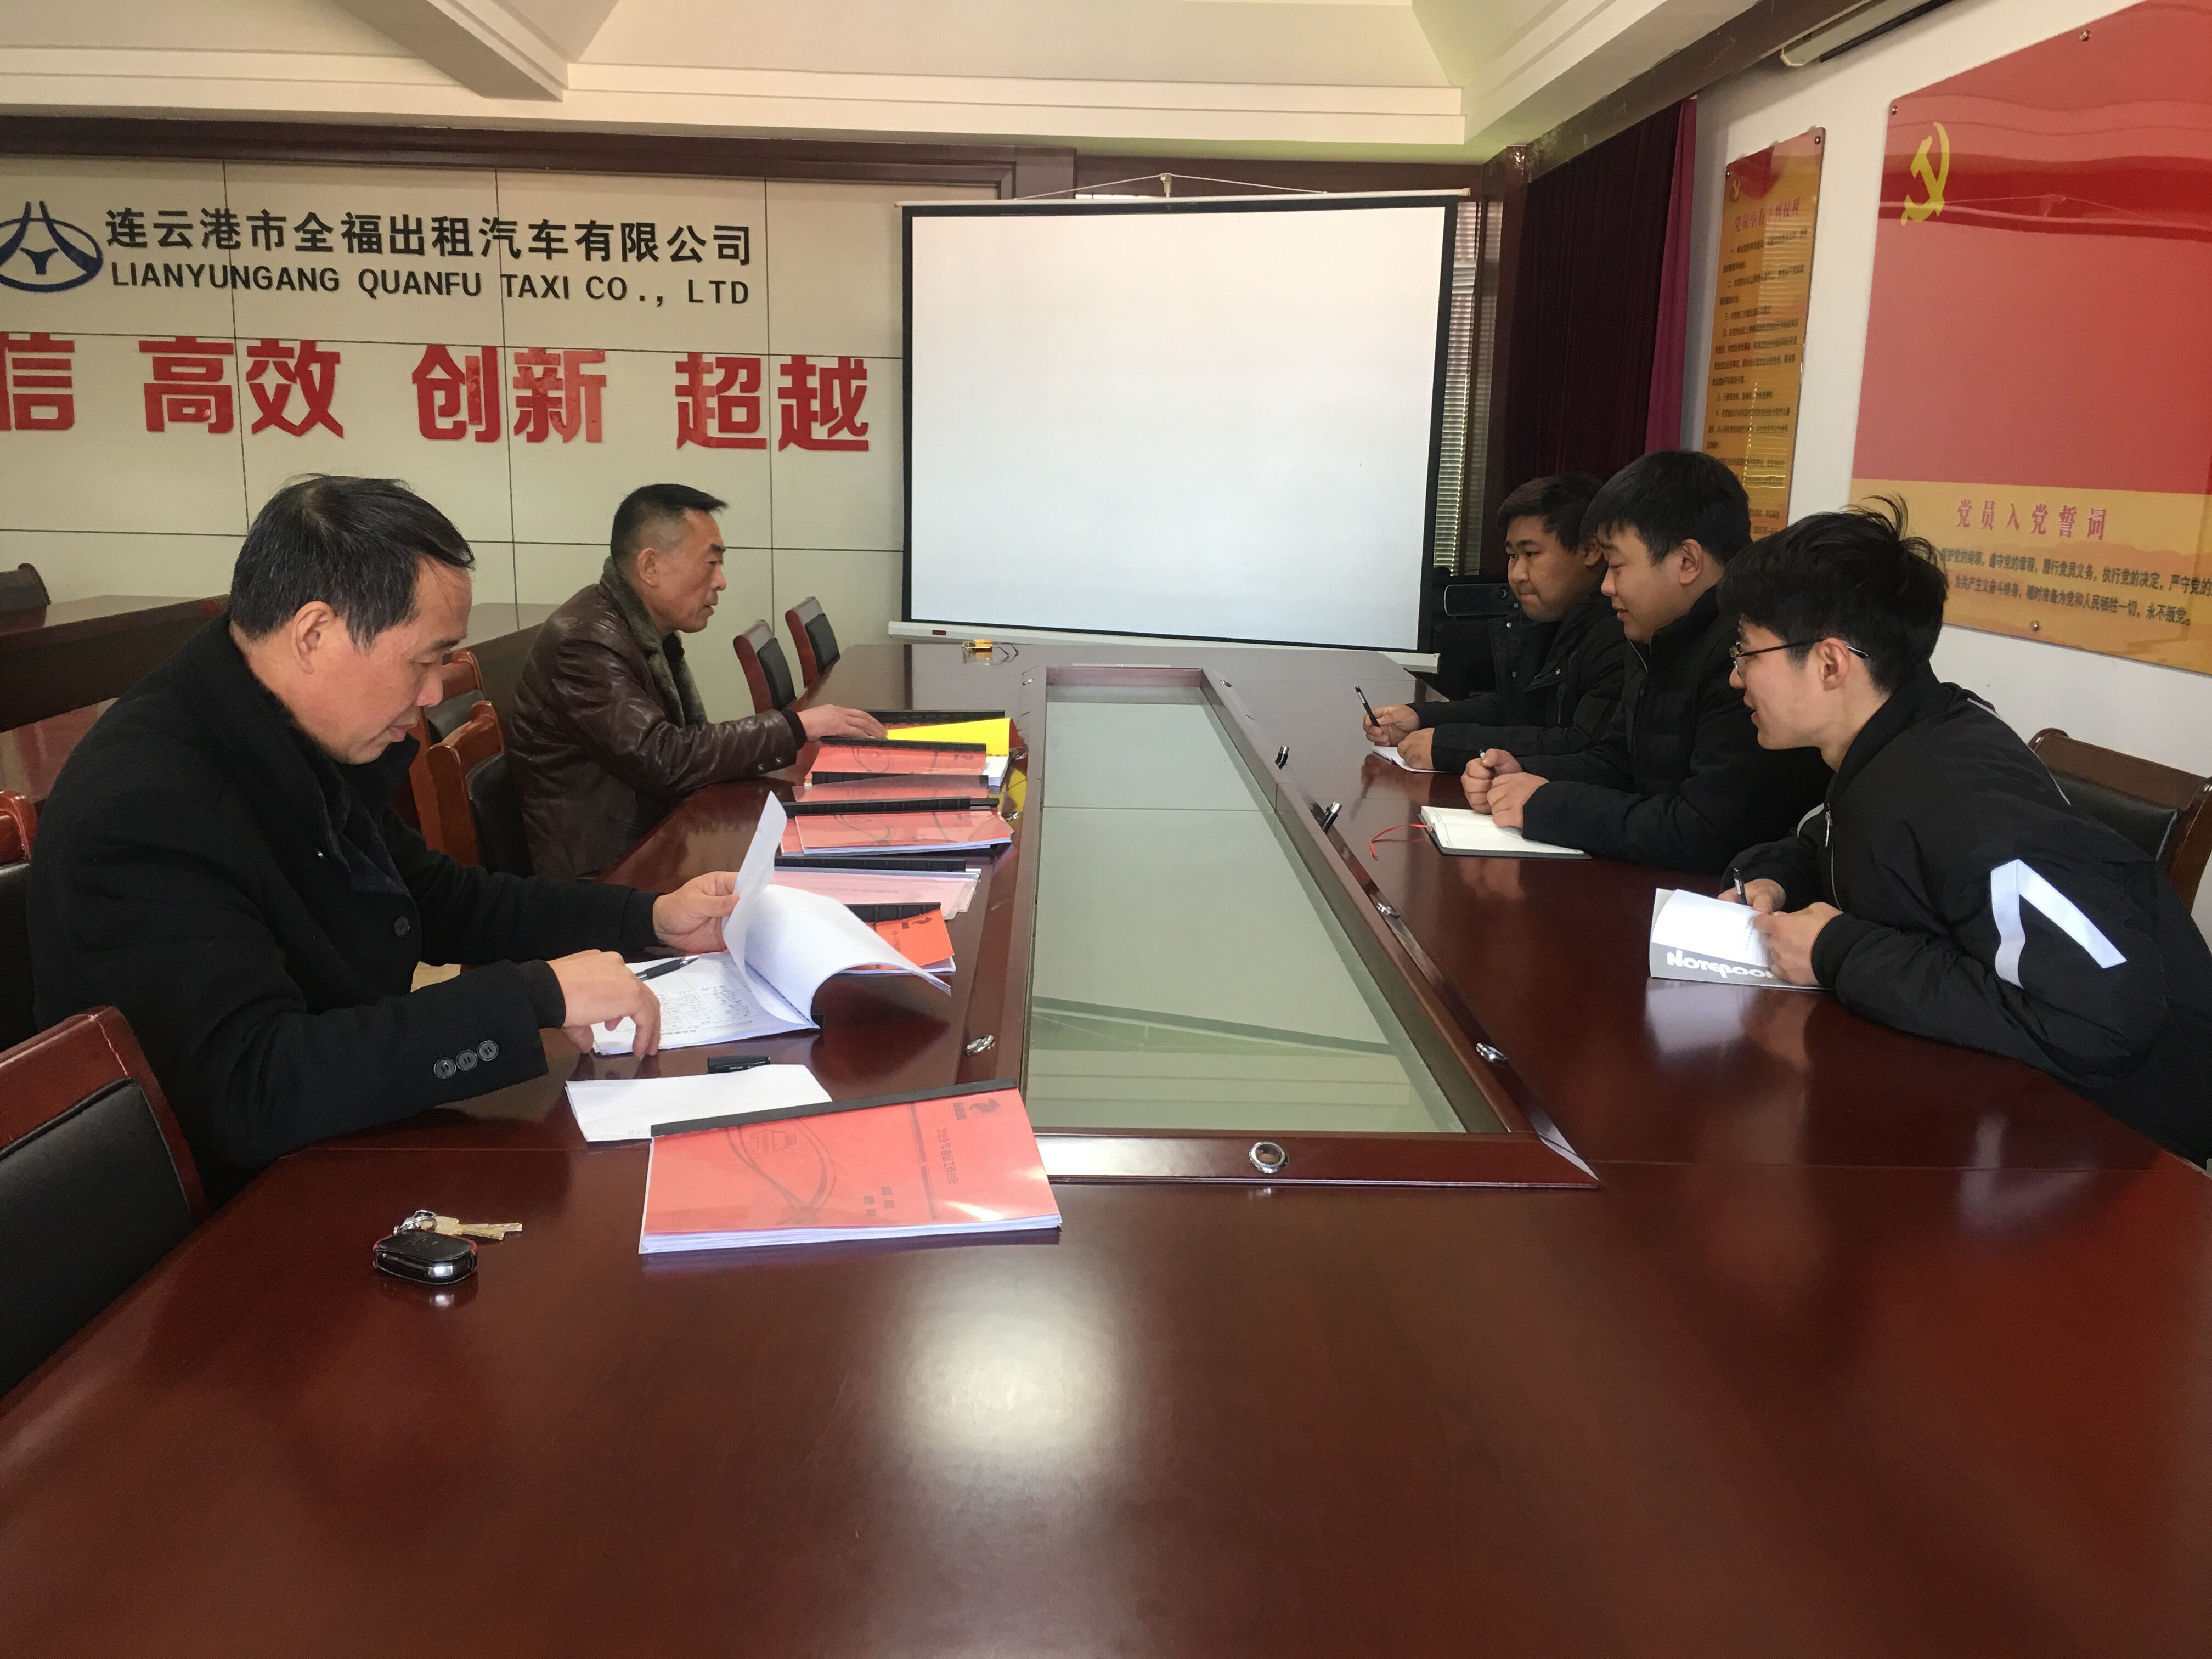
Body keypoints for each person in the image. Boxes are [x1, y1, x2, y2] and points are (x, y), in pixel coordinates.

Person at [30, 476, 744, 1199]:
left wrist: (651, 917)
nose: (433, 694)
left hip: (337, 1148)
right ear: (314, 634)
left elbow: (439, 898)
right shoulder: (147, 806)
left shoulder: (291, 726)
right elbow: (255, 1087)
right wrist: (529, 996)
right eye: (423, 661)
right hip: (231, 1216)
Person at [1719, 502, 2212, 1162]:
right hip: (1962, 1093)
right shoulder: (1890, 741)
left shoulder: (1963, 802)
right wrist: (1776, 876)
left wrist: (1838, 951)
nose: (1735, 675)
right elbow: (1832, 842)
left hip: (2110, 1151)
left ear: (1831, 663)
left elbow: (2105, 1016)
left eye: (1747, 652)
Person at [1460, 450, 1828, 873]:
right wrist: (1523, 773)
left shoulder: (1746, 656)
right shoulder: (1655, 632)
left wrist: (1547, 804)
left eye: (1617, 565)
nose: (1606, 586)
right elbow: (1621, 761)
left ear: (1687, 562)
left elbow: (1705, 832)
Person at [506, 483, 883, 880]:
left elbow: (677, 748)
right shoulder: (585, 642)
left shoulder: (639, 628)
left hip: (657, 837)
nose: (721, 581)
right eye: (711, 563)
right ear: (650, 566)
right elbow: (662, 757)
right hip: (609, 875)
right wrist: (796, 727)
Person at [1362, 474, 1624, 773]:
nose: (1518, 574)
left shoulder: (1620, 630)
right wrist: (1421, 717)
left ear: (1590, 551)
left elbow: (1583, 745)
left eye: (1531, 554)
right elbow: (1513, 708)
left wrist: (1451, 746)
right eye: (1512, 556)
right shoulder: (1546, 620)